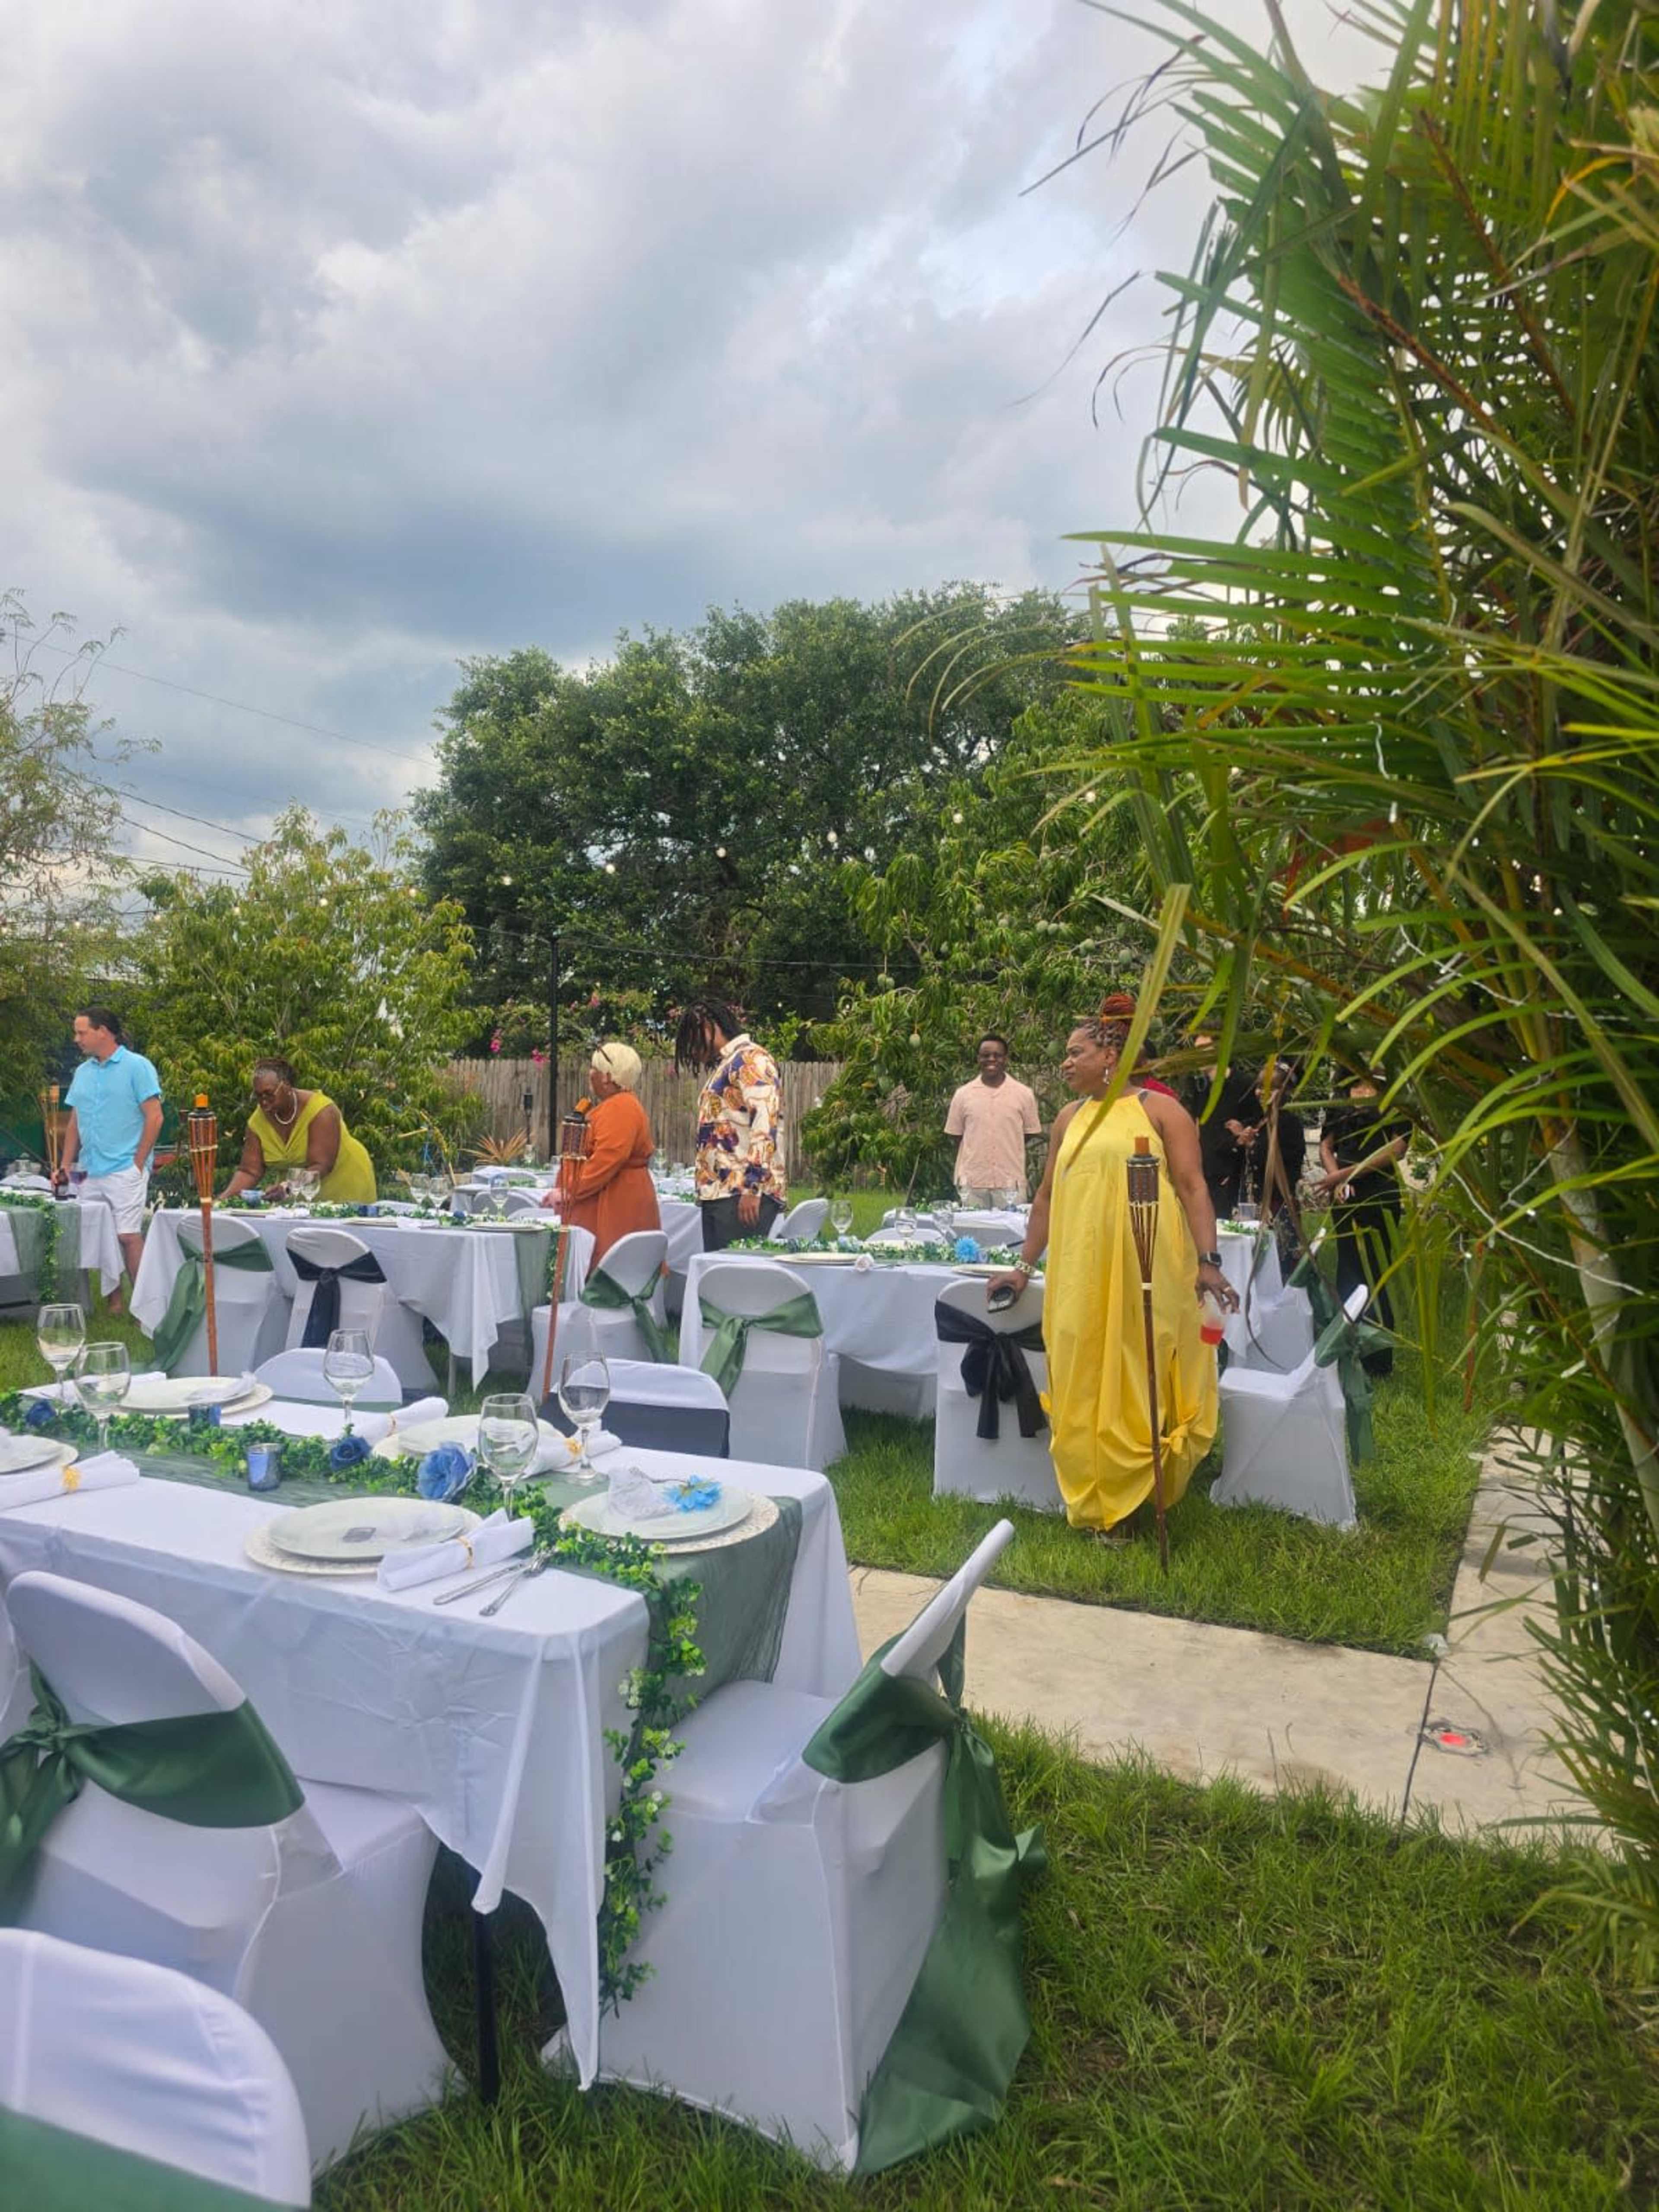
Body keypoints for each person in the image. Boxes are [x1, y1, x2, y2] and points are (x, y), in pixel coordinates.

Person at [988, 996, 1238, 1538]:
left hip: (1148, 1264)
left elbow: (1194, 1187)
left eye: (1075, 1051)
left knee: (1137, 1371)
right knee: (1080, 1374)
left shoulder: (1161, 1110)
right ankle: (1096, 1496)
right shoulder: (1066, 1119)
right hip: (1080, 1271)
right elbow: (1047, 1198)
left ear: (1111, 1055)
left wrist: (1208, 1261)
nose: (1065, 1062)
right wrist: (1023, 1267)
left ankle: (1129, 1503)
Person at [52, 1007, 163, 1312]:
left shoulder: (137, 1067)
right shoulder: (83, 1073)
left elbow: (155, 1117)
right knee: (100, 1237)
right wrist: (65, 1165)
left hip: (124, 1167)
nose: (77, 1039)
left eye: (81, 1032)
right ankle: (114, 1304)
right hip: (88, 1170)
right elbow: (76, 1121)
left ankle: (145, 1309)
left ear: (104, 1032)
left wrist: (138, 1164)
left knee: (127, 1236)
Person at [1314, 1067, 1410, 1376]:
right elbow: (1327, 1145)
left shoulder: (1393, 1099)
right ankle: (1347, 1353)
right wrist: (1337, 1179)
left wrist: (1344, 1175)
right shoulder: (1340, 1099)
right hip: (1346, 1195)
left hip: (1379, 1193)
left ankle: (1378, 1361)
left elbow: (1398, 1148)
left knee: (1377, 1274)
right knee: (1349, 1268)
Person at [674, 997, 787, 1251]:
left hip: (741, 1195)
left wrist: (752, 1186)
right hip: (721, 1192)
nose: (691, 1050)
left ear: (707, 1027)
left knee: (735, 1282)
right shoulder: (729, 1063)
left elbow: (764, 1122)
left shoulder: (751, 1060)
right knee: (716, 1281)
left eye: (692, 1039)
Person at [540, 1041, 661, 1264]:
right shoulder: (617, 1105)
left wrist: (571, 1190)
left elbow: (608, 1159)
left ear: (607, 1076)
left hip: (617, 1205)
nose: (590, 1074)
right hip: (614, 1199)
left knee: (614, 1271)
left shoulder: (621, 1108)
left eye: (594, 1069)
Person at [220, 1058, 376, 1204]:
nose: (264, 1102)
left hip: (344, 1182)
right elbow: (250, 1171)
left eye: (269, 1094)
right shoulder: (257, 1122)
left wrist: (287, 1187)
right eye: (258, 1096)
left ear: (287, 1086)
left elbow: (321, 1165)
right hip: (295, 1193)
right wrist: (221, 1202)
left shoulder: (321, 1111)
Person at [943, 1035, 1043, 1206]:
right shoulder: (963, 1095)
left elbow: (1029, 1133)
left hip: (1010, 1184)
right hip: (972, 1185)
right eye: (986, 1055)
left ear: (1006, 1059)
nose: (992, 1059)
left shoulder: (1024, 1094)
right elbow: (957, 1136)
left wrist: (1007, 1143)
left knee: (1012, 1232)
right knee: (973, 1233)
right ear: (978, 1059)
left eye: (998, 1055)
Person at [1179, 1034, 1261, 1221]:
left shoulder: (1243, 1084)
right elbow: (1198, 1123)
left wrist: (1243, 1133)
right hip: (1205, 1167)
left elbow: (1259, 1121)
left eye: (1203, 1050)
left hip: (1233, 1170)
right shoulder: (1200, 1086)